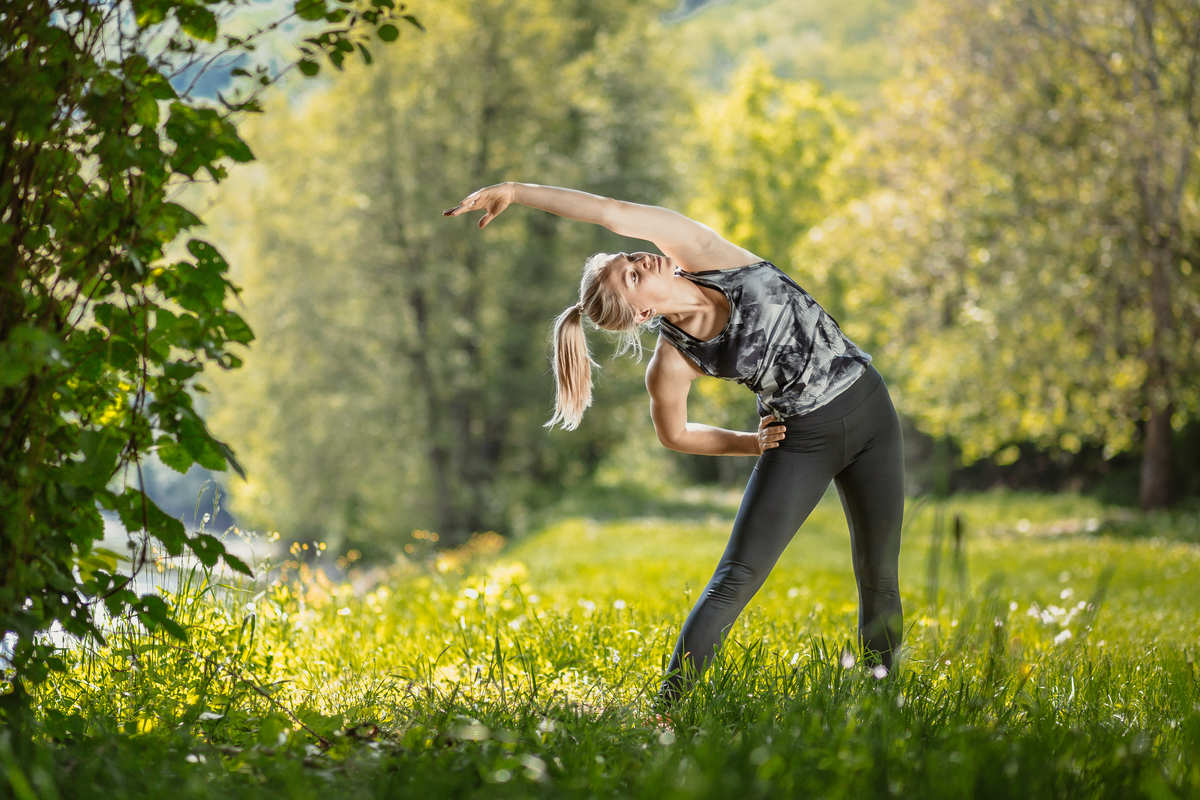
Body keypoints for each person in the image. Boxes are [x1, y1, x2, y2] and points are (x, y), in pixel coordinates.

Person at [443, 181, 905, 717]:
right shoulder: (672, 361)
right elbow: (675, 434)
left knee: (879, 574)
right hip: (803, 440)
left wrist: (518, 192)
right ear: (641, 314)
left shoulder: (706, 256)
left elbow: (612, 213)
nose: (638, 260)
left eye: (627, 260)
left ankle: (883, 705)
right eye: (632, 276)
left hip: (873, 410)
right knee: (735, 579)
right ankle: (668, 708)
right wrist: (750, 444)